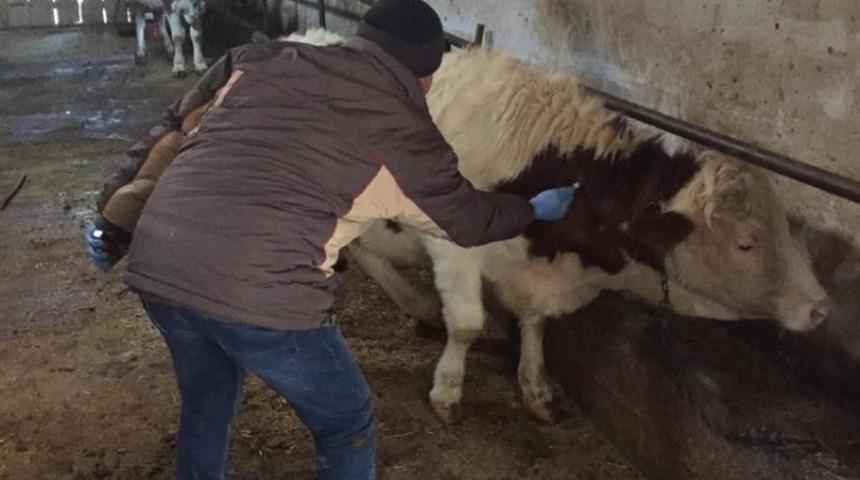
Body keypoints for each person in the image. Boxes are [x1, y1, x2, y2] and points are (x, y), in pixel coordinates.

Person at [84, 0, 576, 478]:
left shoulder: (259, 58)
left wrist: (115, 218)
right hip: (262, 293)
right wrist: (530, 208)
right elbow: (468, 222)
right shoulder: (407, 134)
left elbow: (168, 134)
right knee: (346, 419)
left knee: (208, 398)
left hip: (161, 267)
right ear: (425, 74)